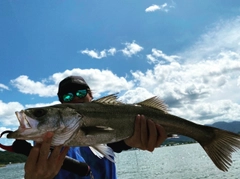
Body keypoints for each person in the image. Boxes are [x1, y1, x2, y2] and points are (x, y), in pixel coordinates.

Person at [24, 76, 167, 179]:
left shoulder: (108, 118)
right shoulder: (45, 137)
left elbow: (115, 143)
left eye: (80, 93)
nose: (75, 99)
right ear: (61, 102)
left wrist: (132, 141)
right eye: (67, 97)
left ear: (91, 94)